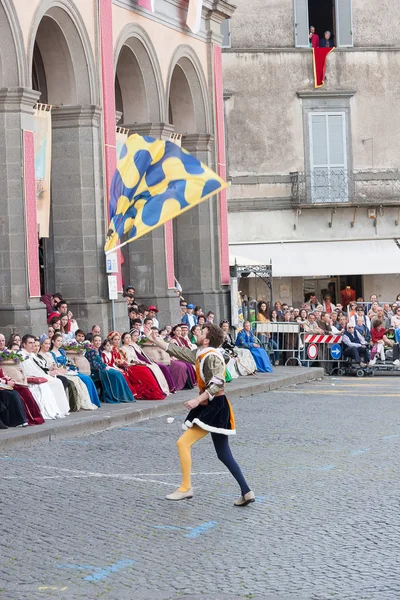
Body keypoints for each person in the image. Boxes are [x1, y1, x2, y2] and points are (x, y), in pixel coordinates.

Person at [150, 324, 255, 506]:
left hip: (214, 406)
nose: (197, 333)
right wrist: (155, 340)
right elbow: (181, 352)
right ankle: (247, 492)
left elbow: (218, 382)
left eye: (202, 332)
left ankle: (185, 488)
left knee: (183, 443)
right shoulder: (202, 354)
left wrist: (197, 401)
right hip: (215, 405)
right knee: (223, 454)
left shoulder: (212, 357)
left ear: (206, 340)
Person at [20, 334, 69, 419]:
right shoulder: (22, 355)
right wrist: (47, 374)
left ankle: (60, 409)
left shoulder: (31, 354)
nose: (33, 345)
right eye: (30, 343)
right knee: (55, 382)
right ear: (24, 344)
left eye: (33, 343)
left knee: (58, 381)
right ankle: (55, 410)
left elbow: (38, 368)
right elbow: (28, 370)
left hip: (40, 374)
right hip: (31, 378)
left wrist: (49, 373)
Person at [49, 334, 100, 409]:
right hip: (62, 371)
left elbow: (67, 361)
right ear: (53, 341)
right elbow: (56, 365)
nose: (60, 343)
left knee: (87, 378)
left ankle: (93, 401)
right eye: (58, 341)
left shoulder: (62, 351)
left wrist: (72, 366)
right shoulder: (51, 353)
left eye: (61, 341)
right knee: (83, 379)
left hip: (68, 370)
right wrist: (64, 368)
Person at [85, 336, 136, 404]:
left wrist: (106, 366)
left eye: (99, 340)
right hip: (96, 371)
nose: (98, 342)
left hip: (102, 369)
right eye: (96, 341)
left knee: (118, 373)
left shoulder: (99, 351)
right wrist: (105, 366)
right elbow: (94, 364)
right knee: (115, 374)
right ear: (92, 342)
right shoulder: (91, 351)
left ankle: (120, 395)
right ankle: (113, 396)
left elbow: (101, 363)